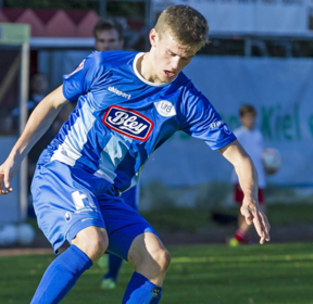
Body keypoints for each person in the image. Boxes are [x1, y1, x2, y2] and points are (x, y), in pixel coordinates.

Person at [0, 5, 270, 304]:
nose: (176, 64)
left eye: (187, 56)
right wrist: (15, 156)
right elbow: (51, 104)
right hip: (64, 171)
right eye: (171, 52)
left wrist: (250, 196)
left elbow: (239, 156)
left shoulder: (186, 100)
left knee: (156, 259)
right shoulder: (104, 65)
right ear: (153, 37)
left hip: (105, 191)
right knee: (93, 241)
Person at [92, 18, 134, 290]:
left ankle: (111, 275)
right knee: (94, 221)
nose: (106, 46)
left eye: (111, 41)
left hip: (124, 165)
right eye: (101, 41)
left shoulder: (135, 71)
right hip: (92, 163)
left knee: (127, 216)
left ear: (121, 42)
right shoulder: (92, 68)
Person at [229, 104, 267, 246]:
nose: (250, 120)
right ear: (241, 119)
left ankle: (243, 237)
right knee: (257, 207)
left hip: (259, 178)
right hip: (243, 178)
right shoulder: (239, 134)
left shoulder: (258, 134)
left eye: (253, 117)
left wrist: (268, 166)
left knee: (250, 209)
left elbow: (260, 156)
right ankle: (239, 236)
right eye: (247, 117)